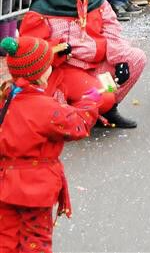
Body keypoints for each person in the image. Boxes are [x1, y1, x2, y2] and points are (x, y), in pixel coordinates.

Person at [19, 0, 145, 128]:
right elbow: (31, 50)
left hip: (97, 64)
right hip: (68, 69)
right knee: (103, 94)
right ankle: (77, 113)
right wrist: (58, 49)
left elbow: (112, 29)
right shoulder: (42, 10)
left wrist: (120, 58)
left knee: (136, 58)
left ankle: (107, 110)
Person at [0, 36, 101, 253]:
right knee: (35, 240)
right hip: (35, 188)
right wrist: (92, 99)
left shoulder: (6, 99)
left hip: (4, 183)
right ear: (41, 72)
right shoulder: (47, 109)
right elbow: (79, 124)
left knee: (5, 238)